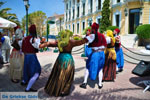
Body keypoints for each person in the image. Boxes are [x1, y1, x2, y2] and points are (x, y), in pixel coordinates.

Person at [43, 29, 92, 97]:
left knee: (58, 74)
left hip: (60, 59)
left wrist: (43, 44)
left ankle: (56, 89)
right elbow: (81, 41)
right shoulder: (71, 42)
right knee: (68, 76)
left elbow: (50, 44)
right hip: (68, 60)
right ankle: (64, 91)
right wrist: (89, 37)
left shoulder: (60, 42)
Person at [80, 22, 107, 89]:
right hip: (102, 54)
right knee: (100, 68)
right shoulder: (102, 35)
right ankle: (100, 84)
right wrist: (100, 48)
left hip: (95, 54)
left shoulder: (92, 35)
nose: (90, 29)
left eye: (91, 28)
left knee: (88, 67)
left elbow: (84, 40)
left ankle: (84, 82)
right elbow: (105, 45)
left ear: (93, 29)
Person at [21, 24, 46, 92]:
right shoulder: (34, 38)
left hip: (26, 56)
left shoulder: (25, 38)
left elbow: (22, 49)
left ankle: (24, 81)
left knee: (26, 70)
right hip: (32, 56)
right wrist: (44, 43)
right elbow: (38, 46)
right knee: (37, 71)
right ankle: (28, 88)